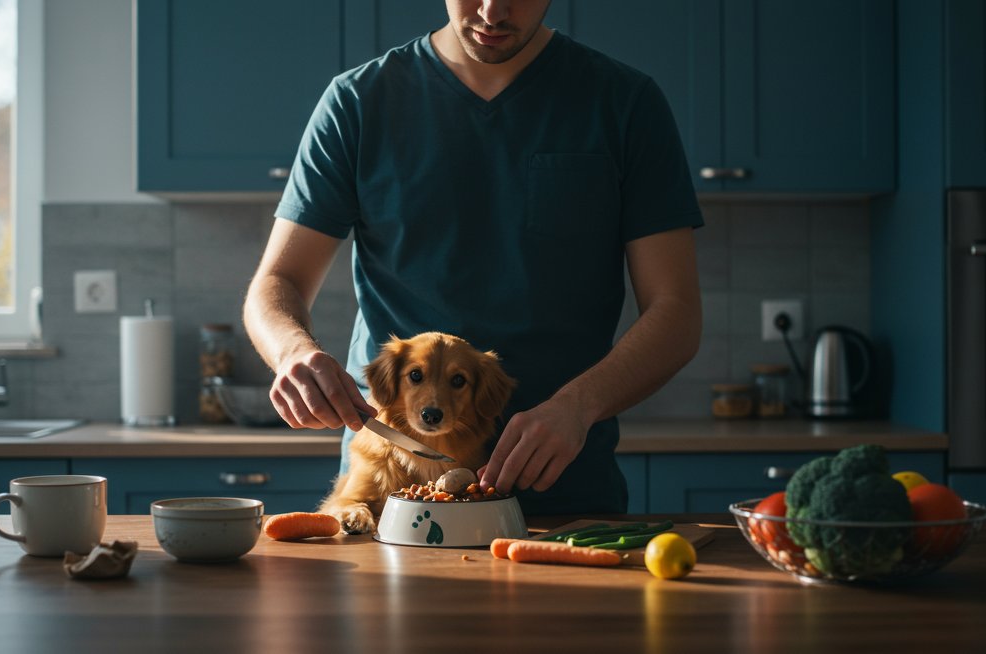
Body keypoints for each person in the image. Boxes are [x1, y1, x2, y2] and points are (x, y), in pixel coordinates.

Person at [243, 0, 702, 515]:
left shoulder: (624, 103)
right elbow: (278, 280)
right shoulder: (358, 101)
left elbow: (676, 311)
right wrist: (293, 353)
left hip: (564, 494)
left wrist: (578, 405)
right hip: (393, 496)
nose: (491, 10)